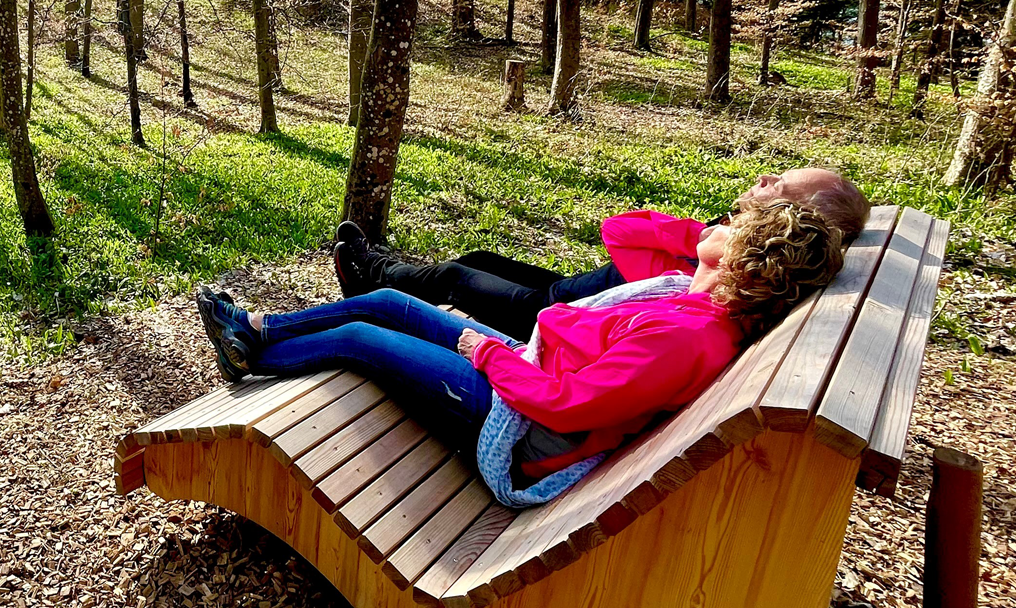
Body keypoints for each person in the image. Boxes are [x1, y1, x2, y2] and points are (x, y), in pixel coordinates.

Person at [196, 200, 845, 508]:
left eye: (736, 224)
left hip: (524, 427)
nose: (724, 218)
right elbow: (621, 228)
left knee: (363, 339)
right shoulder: (688, 296)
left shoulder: (686, 337)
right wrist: (701, 238)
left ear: (742, 264)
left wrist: (483, 350)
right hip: (534, 370)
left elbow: (567, 406)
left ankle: (251, 356)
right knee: (390, 302)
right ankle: (261, 328)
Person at [332, 167, 868, 339]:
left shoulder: (707, 262)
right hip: (572, 294)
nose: (764, 178)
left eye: (778, 186)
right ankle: (375, 280)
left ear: (793, 217)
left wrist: (700, 239)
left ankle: (371, 271)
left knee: (456, 275)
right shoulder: (748, 263)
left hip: (552, 315)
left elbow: (619, 229)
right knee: (478, 259)